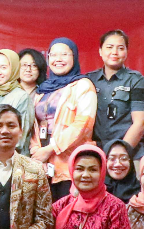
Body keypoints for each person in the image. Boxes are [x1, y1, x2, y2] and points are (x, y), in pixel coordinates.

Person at [32, 38, 98, 200]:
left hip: (70, 164)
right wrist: (37, 153)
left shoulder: (83, 85)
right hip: (42, 164)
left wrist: (50, 149)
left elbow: (83, 124)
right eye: (53, 55)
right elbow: (32, 125)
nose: (58, 59)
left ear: (74, 57)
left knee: (68, 211)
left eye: (64, 54)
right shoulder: (42, 89)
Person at [88, 30, 144, 157]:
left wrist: (119, 153)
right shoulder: (88, 80)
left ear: (126, 52)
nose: (114, 52)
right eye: (109, 47)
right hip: (95, 155)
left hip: (128, 155)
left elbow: (142, 122)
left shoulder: (135, 80)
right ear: (100, 51)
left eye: (120, 48)